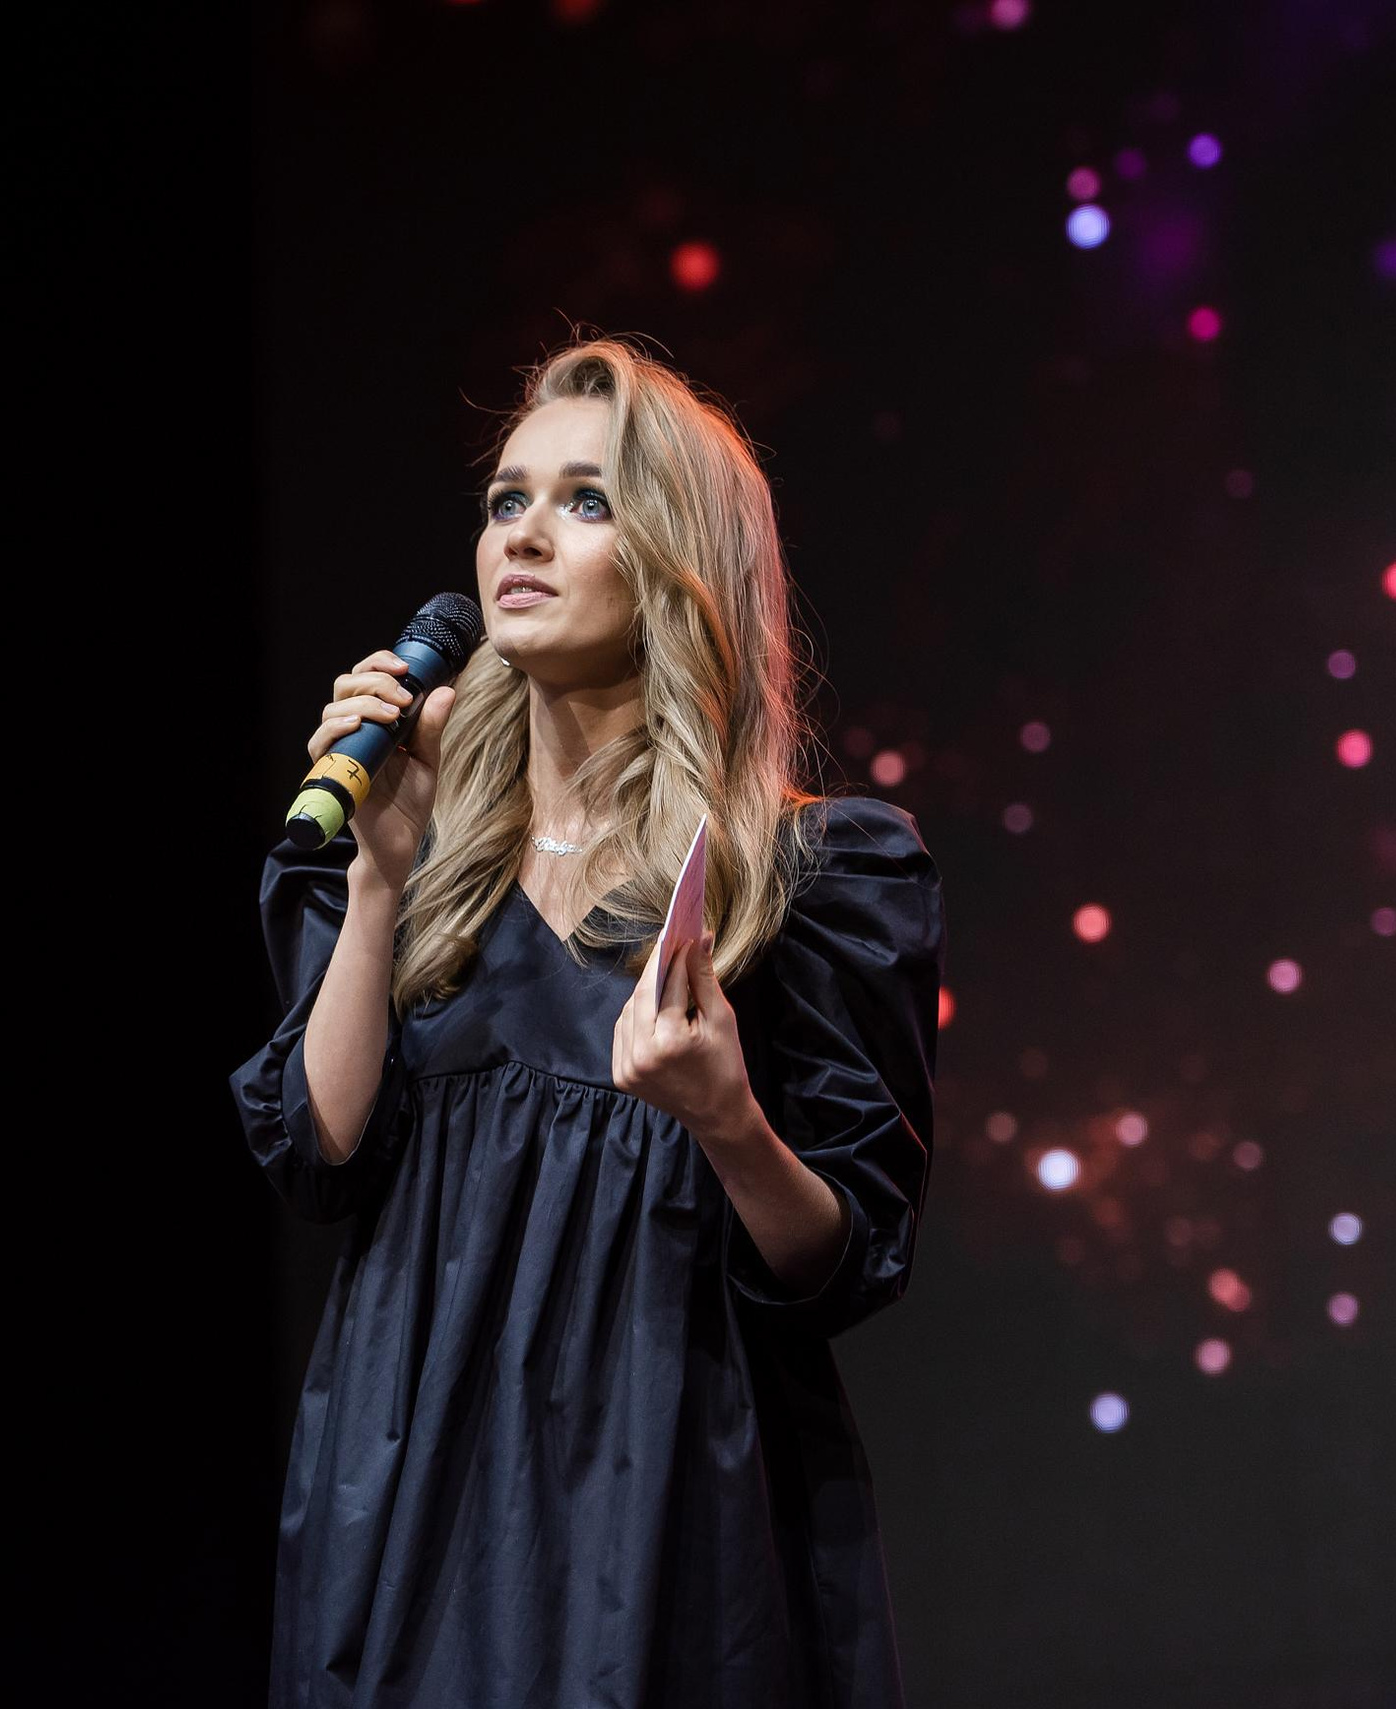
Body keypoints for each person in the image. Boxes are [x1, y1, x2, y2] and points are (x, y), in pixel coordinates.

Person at [229, 336, 945, 1708]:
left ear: (679, 560)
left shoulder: (811, 878)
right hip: (411, 1498)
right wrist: (380, 879)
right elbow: (319, 1156)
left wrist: (727, 1118)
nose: (525, 537)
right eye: (508, 500)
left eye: (585, 501)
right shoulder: (405, 846)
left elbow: (845, 1258)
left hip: (672, 1503)